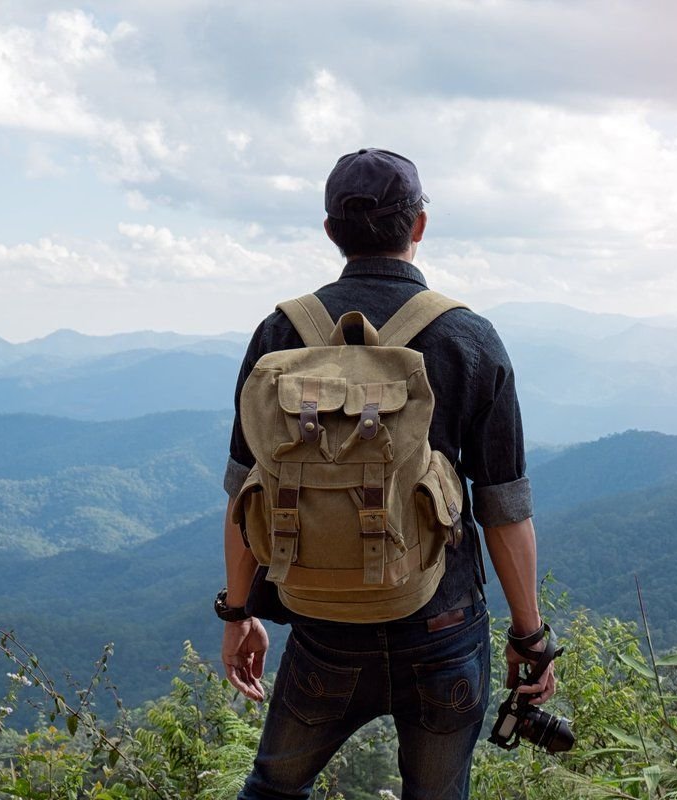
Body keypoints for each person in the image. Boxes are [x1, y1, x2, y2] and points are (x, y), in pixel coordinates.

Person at [217, 148, 555, 800]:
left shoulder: (280, 334)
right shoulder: (468, 338)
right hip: (442, 626)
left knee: (274, 787)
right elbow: (504, 507)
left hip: (322, 625)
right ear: (419, 225)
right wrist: (529, 637)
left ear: (330, 233)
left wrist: (238, 613)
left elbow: (244, 495)